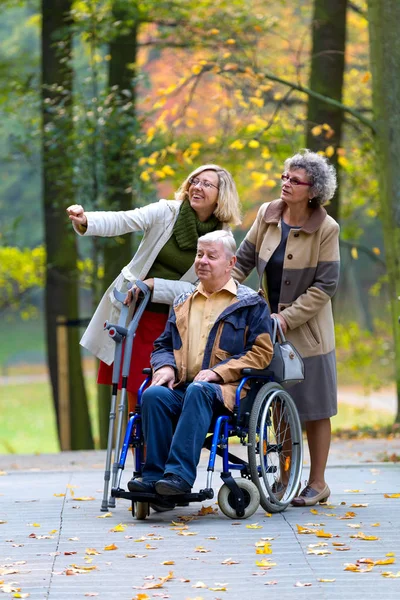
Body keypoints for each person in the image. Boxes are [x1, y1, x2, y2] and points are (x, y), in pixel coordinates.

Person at [66, 165, 241, 410]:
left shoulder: (223, 237)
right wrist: (86, 221)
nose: (197, 187)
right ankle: (137, 448)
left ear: (222, 195)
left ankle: (158, 448)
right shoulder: (166, 212)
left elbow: (200, 289)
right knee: (136, 394)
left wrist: (155, 285)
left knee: (162, 394)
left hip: (175, 323)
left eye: (206, 184)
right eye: (194, 181)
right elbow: (123, 220)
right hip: (135, 314)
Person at [127, 230, 274, 500]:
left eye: (211, 256)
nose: (202, 261)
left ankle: (179, 477)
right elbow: (163, 345)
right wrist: (166, 367)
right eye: (199, 254)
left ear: (230, 263)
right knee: (154, 394)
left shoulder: (250, 303)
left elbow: (262, 353)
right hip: (184, 386)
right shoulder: (183, 301)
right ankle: (153, 478)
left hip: (228, 392)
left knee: (199, 390)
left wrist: (219, 373)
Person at [232, 149, 340, 507]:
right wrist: (224, 293)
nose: (286, 184)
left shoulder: (326, 229)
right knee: (279, 405)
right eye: (284, 177)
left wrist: (286, 317)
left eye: (295, 181)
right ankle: (285, 477)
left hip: (309, 334)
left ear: (313, 190)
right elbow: (243, 260)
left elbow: (325, 287)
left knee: (315, 408)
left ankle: (318, 482)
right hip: (268, 331)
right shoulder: (267, 215)